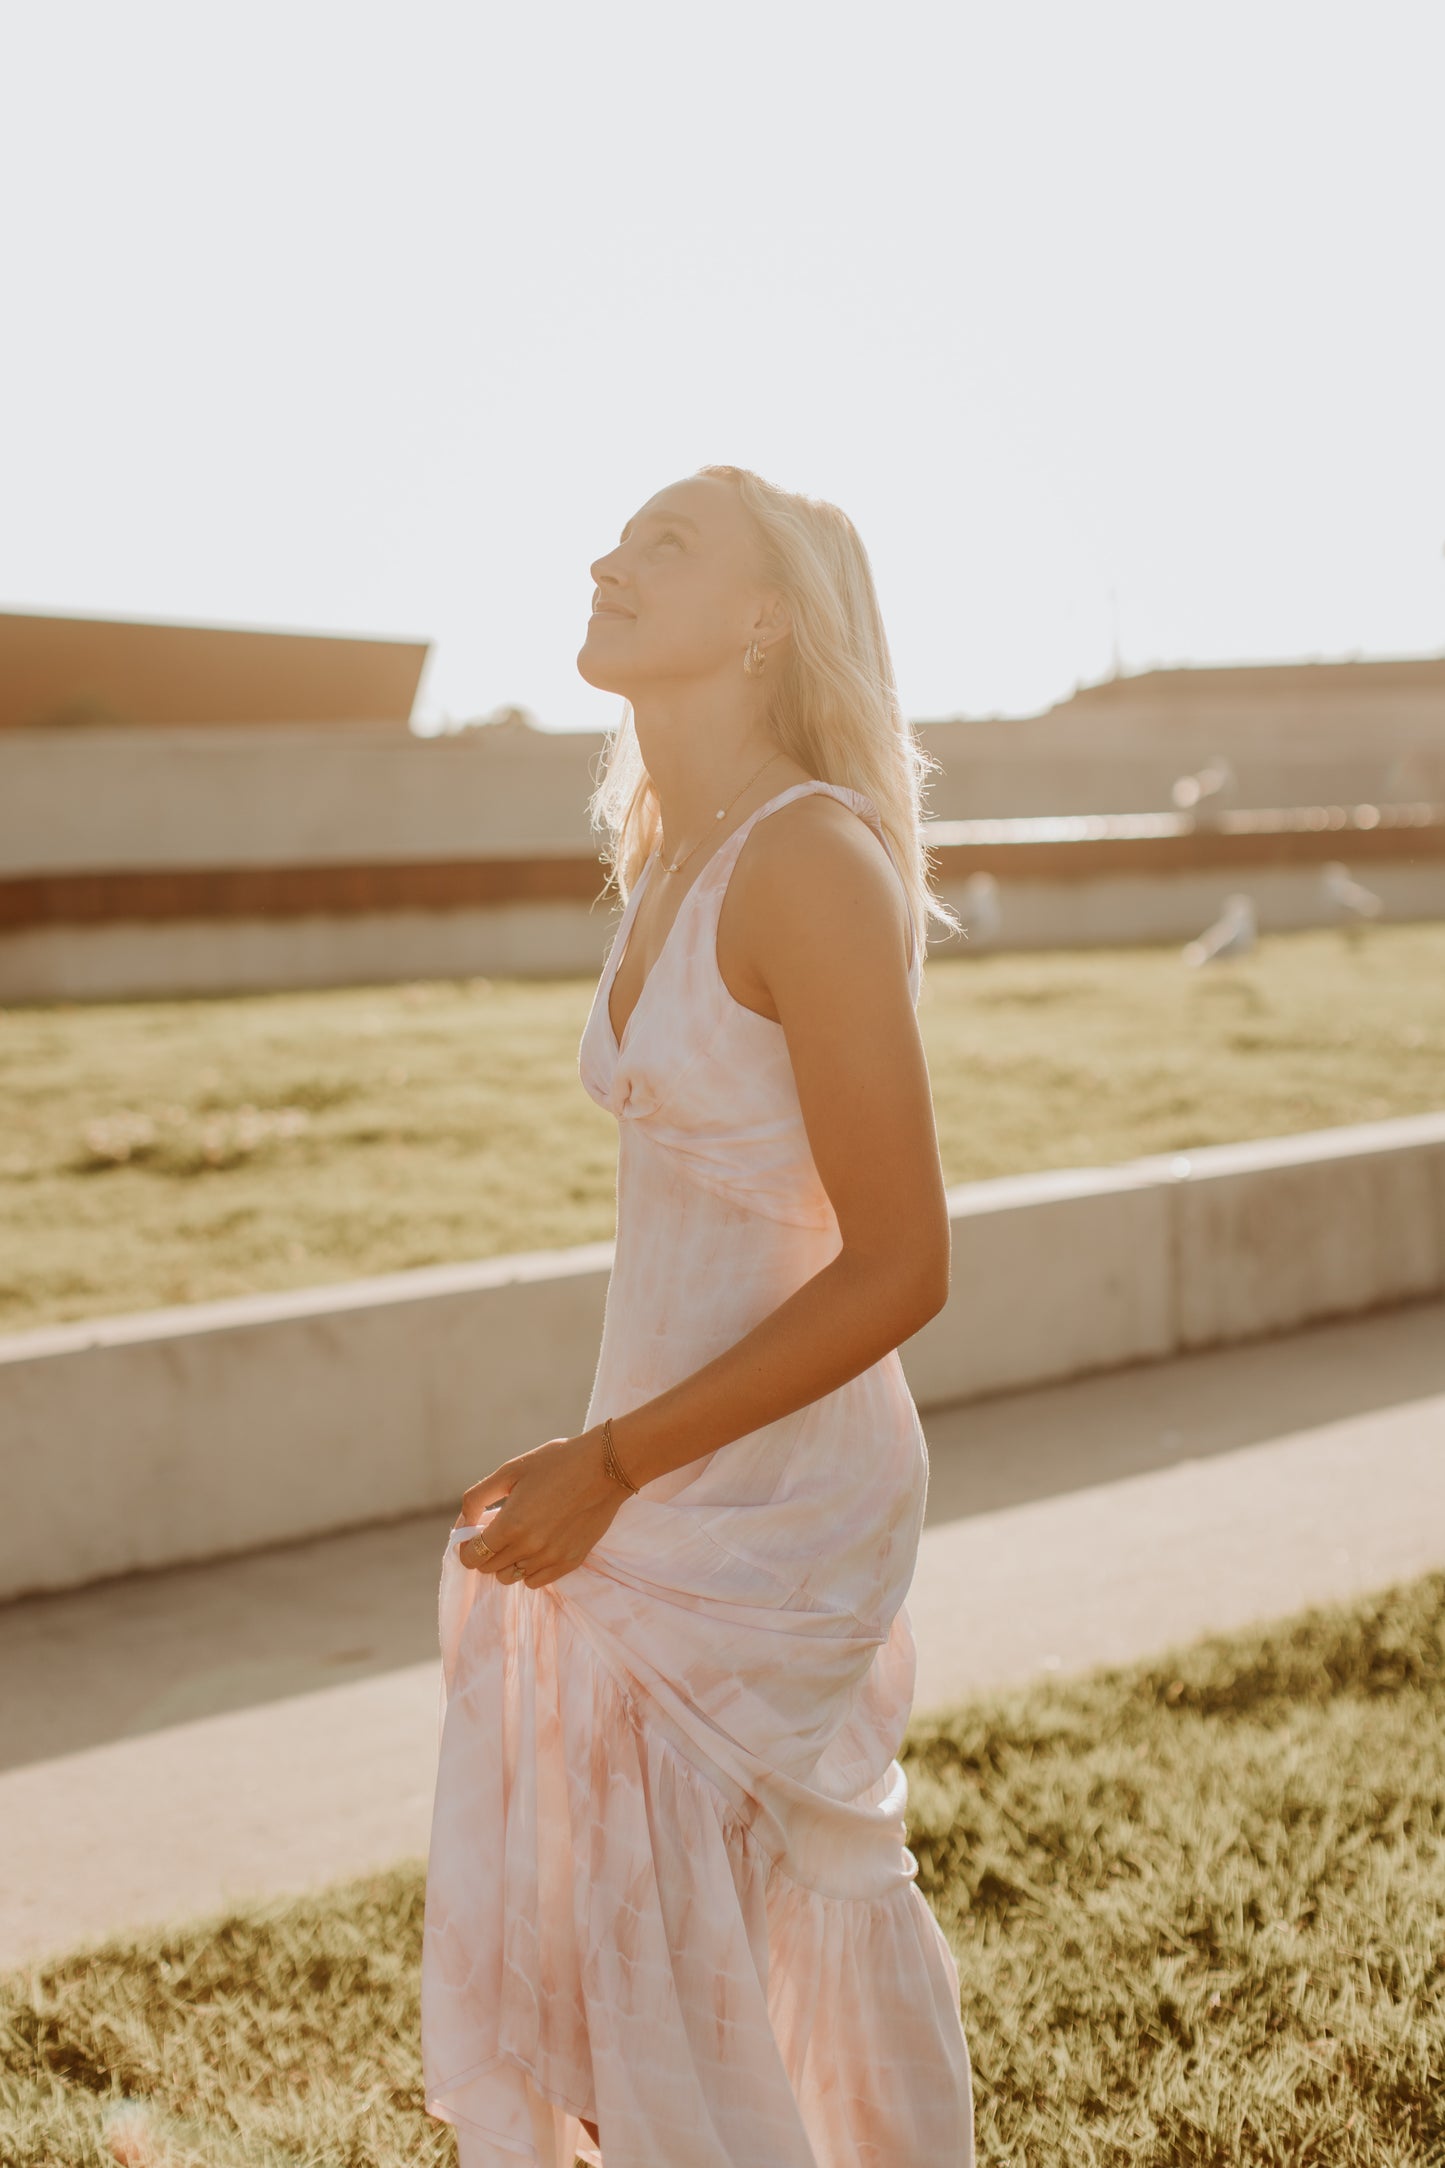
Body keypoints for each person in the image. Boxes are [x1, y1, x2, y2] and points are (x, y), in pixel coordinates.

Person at [421, 464, 975, 2166]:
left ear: (764, 621)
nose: (607, 558)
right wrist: (613, 1462)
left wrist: (615, 1462)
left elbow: (902, 1265)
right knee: (643, 1968)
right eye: (618, 533)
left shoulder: (805, 857)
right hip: (659, 1469)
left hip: (772, 1494)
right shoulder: (671, 852)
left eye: (665, 542)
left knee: (695, 1945)